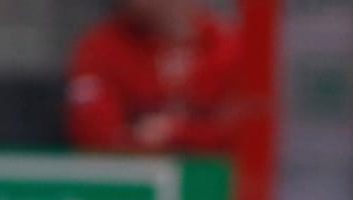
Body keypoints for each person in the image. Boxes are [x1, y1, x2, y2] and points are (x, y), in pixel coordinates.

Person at [65, 0, 243, 155]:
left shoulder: (231, 45)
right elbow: (94, 134)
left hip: (217, 177)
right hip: (133, 175)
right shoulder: (100, 48)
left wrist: (178, 132)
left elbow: (244, 132)